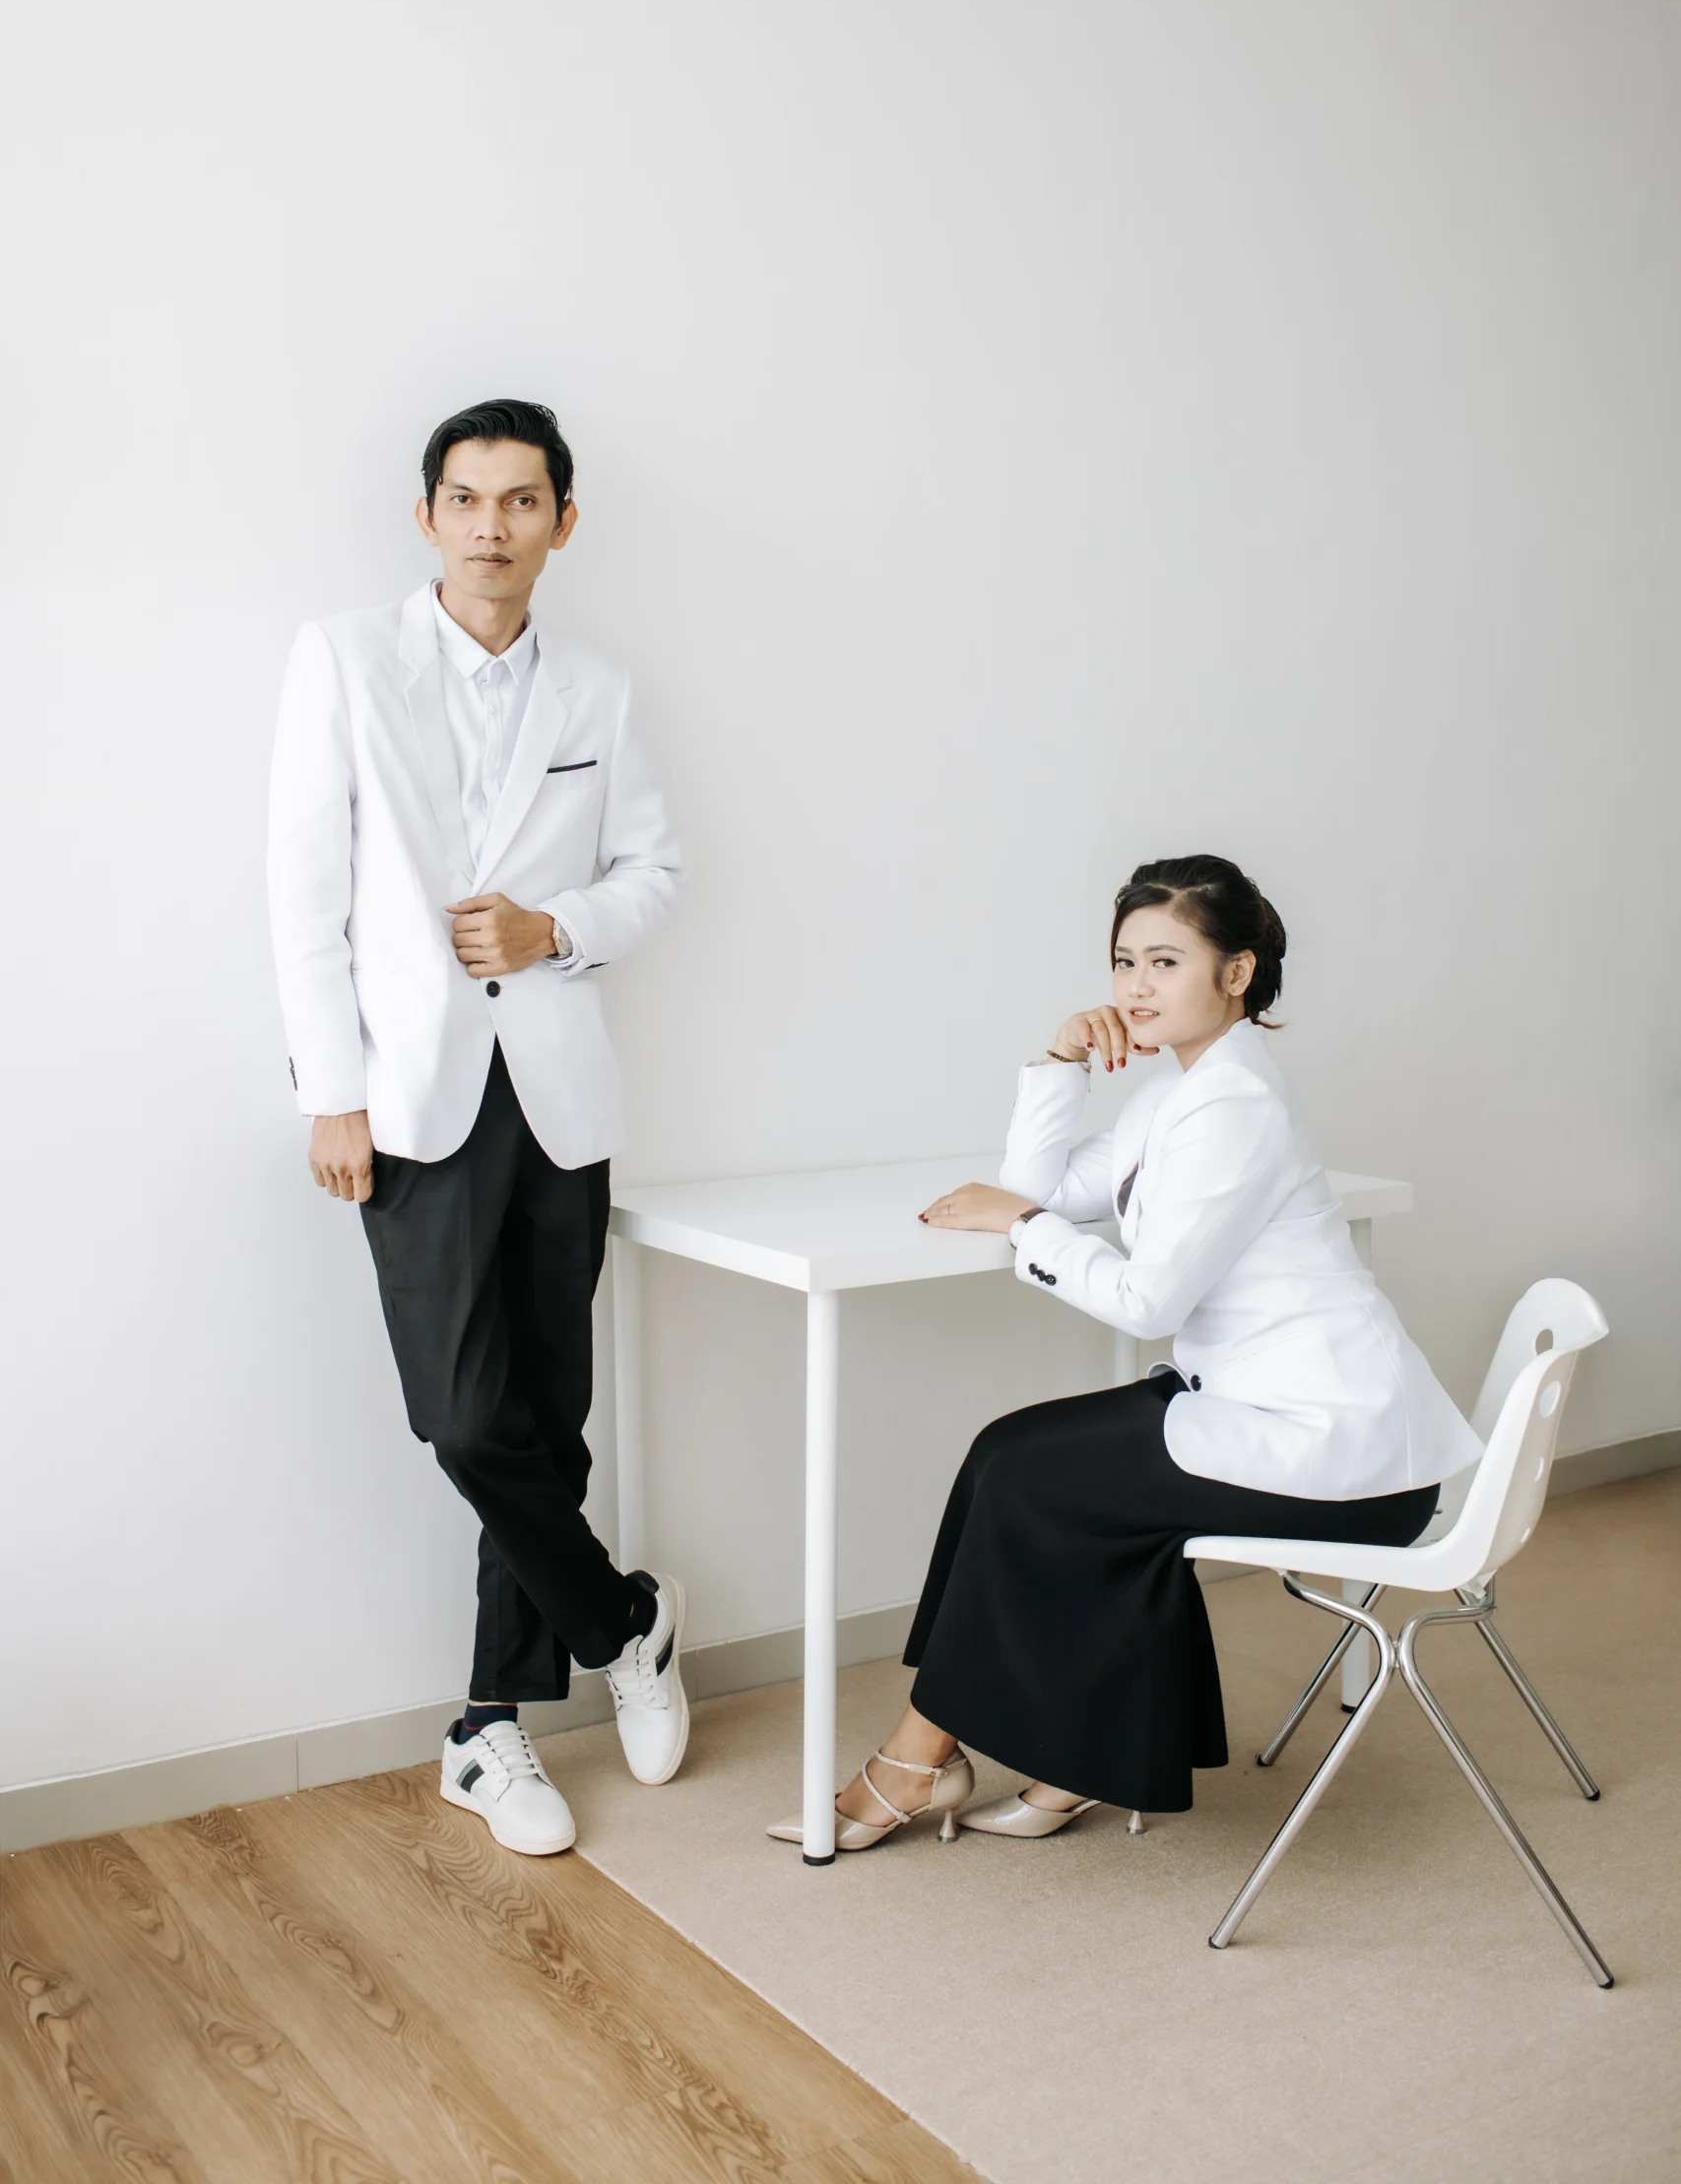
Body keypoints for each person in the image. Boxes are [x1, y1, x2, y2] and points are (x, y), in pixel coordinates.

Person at [770, 855, 1481, 1851]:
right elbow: (1037, 1188)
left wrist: (1023, 1227)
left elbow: (1142, 1297)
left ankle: (918, 1756)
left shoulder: (1235, 1105)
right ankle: (1033, 1755)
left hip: (1342, 1454)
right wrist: (1060, 1063)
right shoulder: (1178, 1091)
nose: (1135, 987)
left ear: (1236, 972)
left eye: (1164, 961)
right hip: (1259, 1410)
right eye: (1123, 962)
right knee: (1004, 1453)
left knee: (1036, 1479)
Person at [269, 398, 686, 1858]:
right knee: (461, 1415)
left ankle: (489, 1730)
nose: (491, 526)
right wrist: (331, 1091)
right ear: (428, 516)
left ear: (561, 522)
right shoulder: (344, 660)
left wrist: (550, 926)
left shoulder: (599, 688)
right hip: (410, 1099)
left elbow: (653, 872)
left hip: (558, 1098)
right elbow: (303, 894)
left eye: (521, 502)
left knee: (545, 1417)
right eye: (466, 498)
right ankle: (623, 1621)